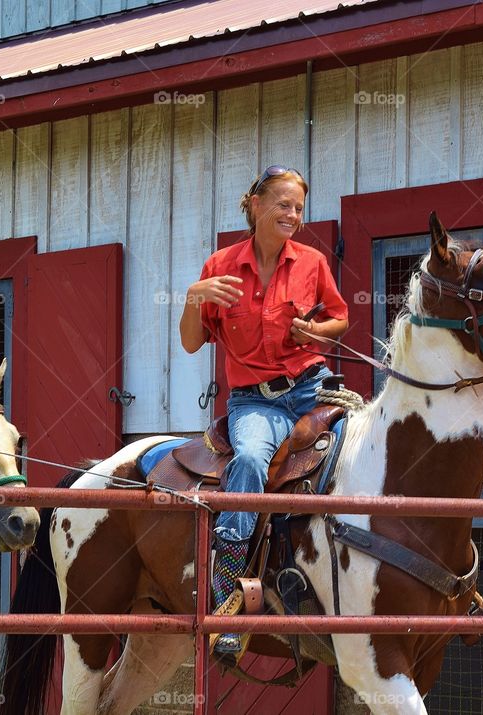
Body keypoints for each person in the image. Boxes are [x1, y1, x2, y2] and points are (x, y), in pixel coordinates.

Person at [179, 165, 349, 654]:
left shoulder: (313, 262)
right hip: (257, 401)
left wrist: (316, 334)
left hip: (312, 389)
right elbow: (192, 343)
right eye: (283, 205)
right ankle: (226, 591)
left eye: (298, 207)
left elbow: (340, 316)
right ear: (256, 206)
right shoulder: (219, 267)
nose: (293, 215)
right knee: (251, 460)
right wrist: (193, 298)